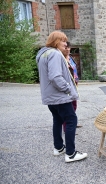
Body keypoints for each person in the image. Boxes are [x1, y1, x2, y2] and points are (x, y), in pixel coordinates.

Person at [36, 31, 87, 162]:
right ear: (55, 42)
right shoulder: (54, 54)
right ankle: (71, 153)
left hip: (51, 97)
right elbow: (55, 77)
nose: (66, 43)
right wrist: (68, 89)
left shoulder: (43, 54)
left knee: (57, 120)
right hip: (59, 96)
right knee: (71, 120)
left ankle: (58, 147)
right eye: (63, 41)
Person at [61, 41, 82, 133]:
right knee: (68, 107)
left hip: (74, 84)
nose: (68, 49)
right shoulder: (62, 59)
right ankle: (67, 128)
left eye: (69, 47)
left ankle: (72, 122)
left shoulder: (71, 58)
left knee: (74, 105)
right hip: (67, 86)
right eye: (66, 48)